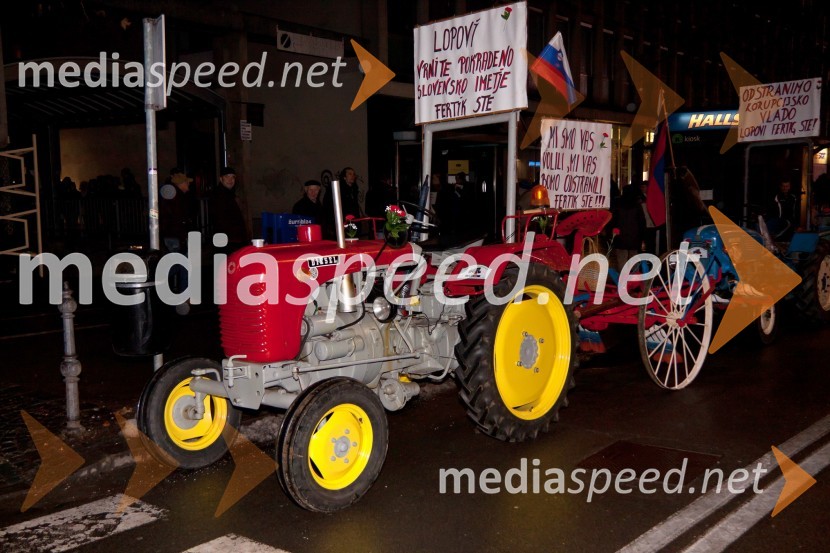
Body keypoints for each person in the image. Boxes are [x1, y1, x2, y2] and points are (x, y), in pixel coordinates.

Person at [160, 170, 197, 301]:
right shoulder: (177, 198)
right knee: (181, 264)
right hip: (176, 236)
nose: (188, 184)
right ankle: (181, 293)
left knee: (179, 263)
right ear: (181, 184)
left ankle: (181, 293)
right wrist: (183, 236)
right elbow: (179, 219)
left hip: (172, 235)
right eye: (186, 182)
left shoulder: (172, 196)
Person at [209, 166, 249, 253]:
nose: (230, 180)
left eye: (233, 177)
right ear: (221, 179)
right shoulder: (219, 195)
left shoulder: (229, 194)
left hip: (230, 240)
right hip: (228, 241)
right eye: (227, 176)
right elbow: (221, 219)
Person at [610, 184, 646, 272]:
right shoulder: (637, 205)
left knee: (621, 260)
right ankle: (635, 278)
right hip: (634, 237)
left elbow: (612, 221)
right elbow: (642, 222)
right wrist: (643, 238)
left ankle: (623, 278)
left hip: (620, 237)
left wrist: (611, 235)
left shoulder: (617, 204)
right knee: (634, 260)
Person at [323, 166, 362, 238]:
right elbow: (328, 205)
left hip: (353, 222)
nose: (352, 176)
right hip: (340, 222)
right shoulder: (337, 189)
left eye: (353, 174)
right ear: (344, 177)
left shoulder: (354, 189)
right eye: (350, 174)